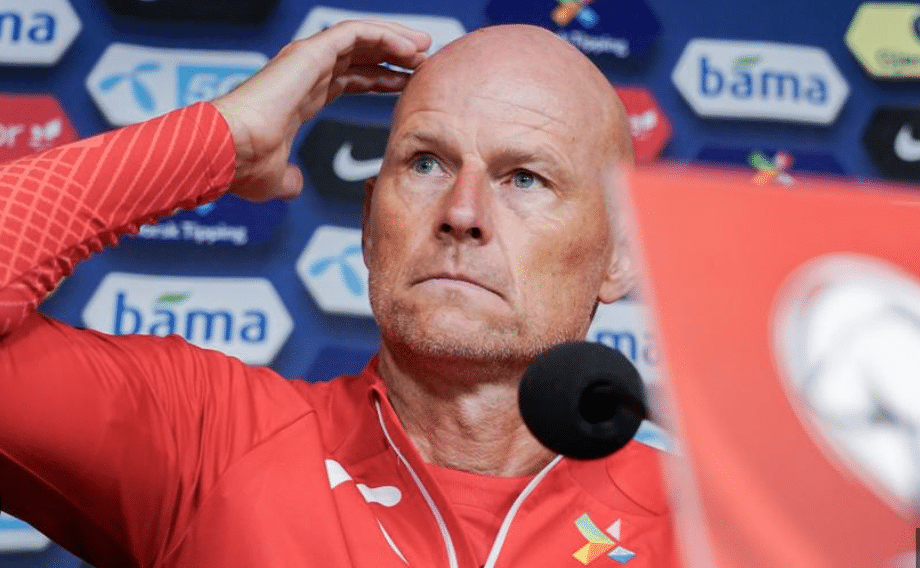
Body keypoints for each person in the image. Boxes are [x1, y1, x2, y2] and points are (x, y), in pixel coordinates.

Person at [0, 20, 678, 568]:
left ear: (621, 256)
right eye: (426, 163)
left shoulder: (703, 528)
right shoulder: (208, 439)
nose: (462, 212)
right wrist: (225, 136)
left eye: (525, 177)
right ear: (369, 223)